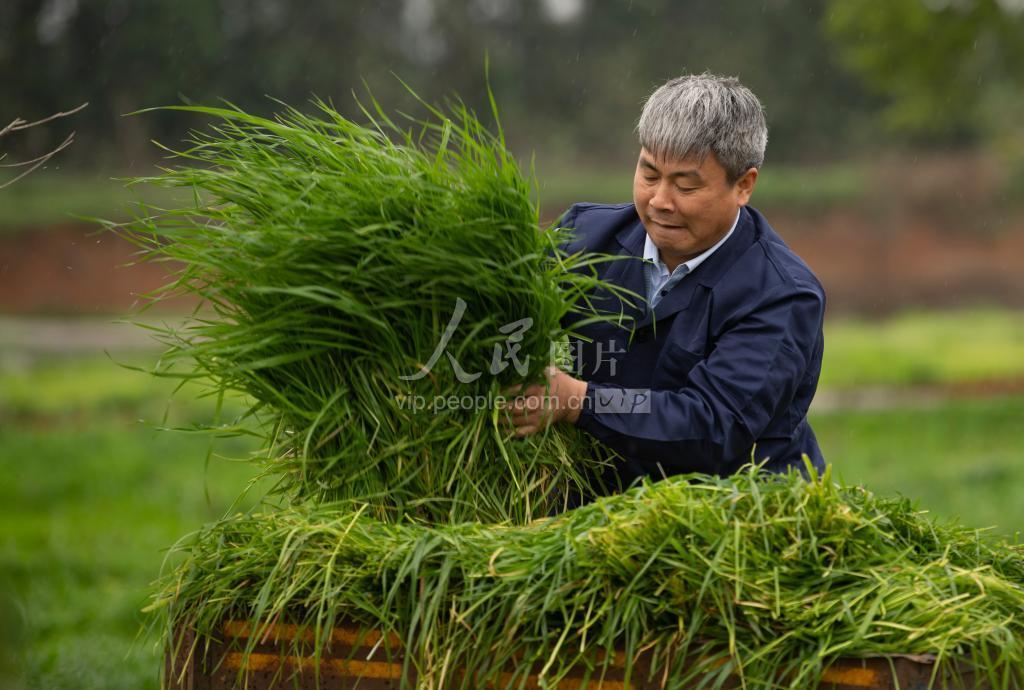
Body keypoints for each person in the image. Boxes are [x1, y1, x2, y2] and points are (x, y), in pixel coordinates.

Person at [506, 73, 826, 490]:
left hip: (735, 507)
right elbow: (506, 314)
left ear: (744, 185)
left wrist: (578, 401)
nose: (659, 201)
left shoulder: (782, 294)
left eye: (685, 185)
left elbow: (714, 424)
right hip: (602, 501)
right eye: (649, 174)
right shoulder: (583, 237)